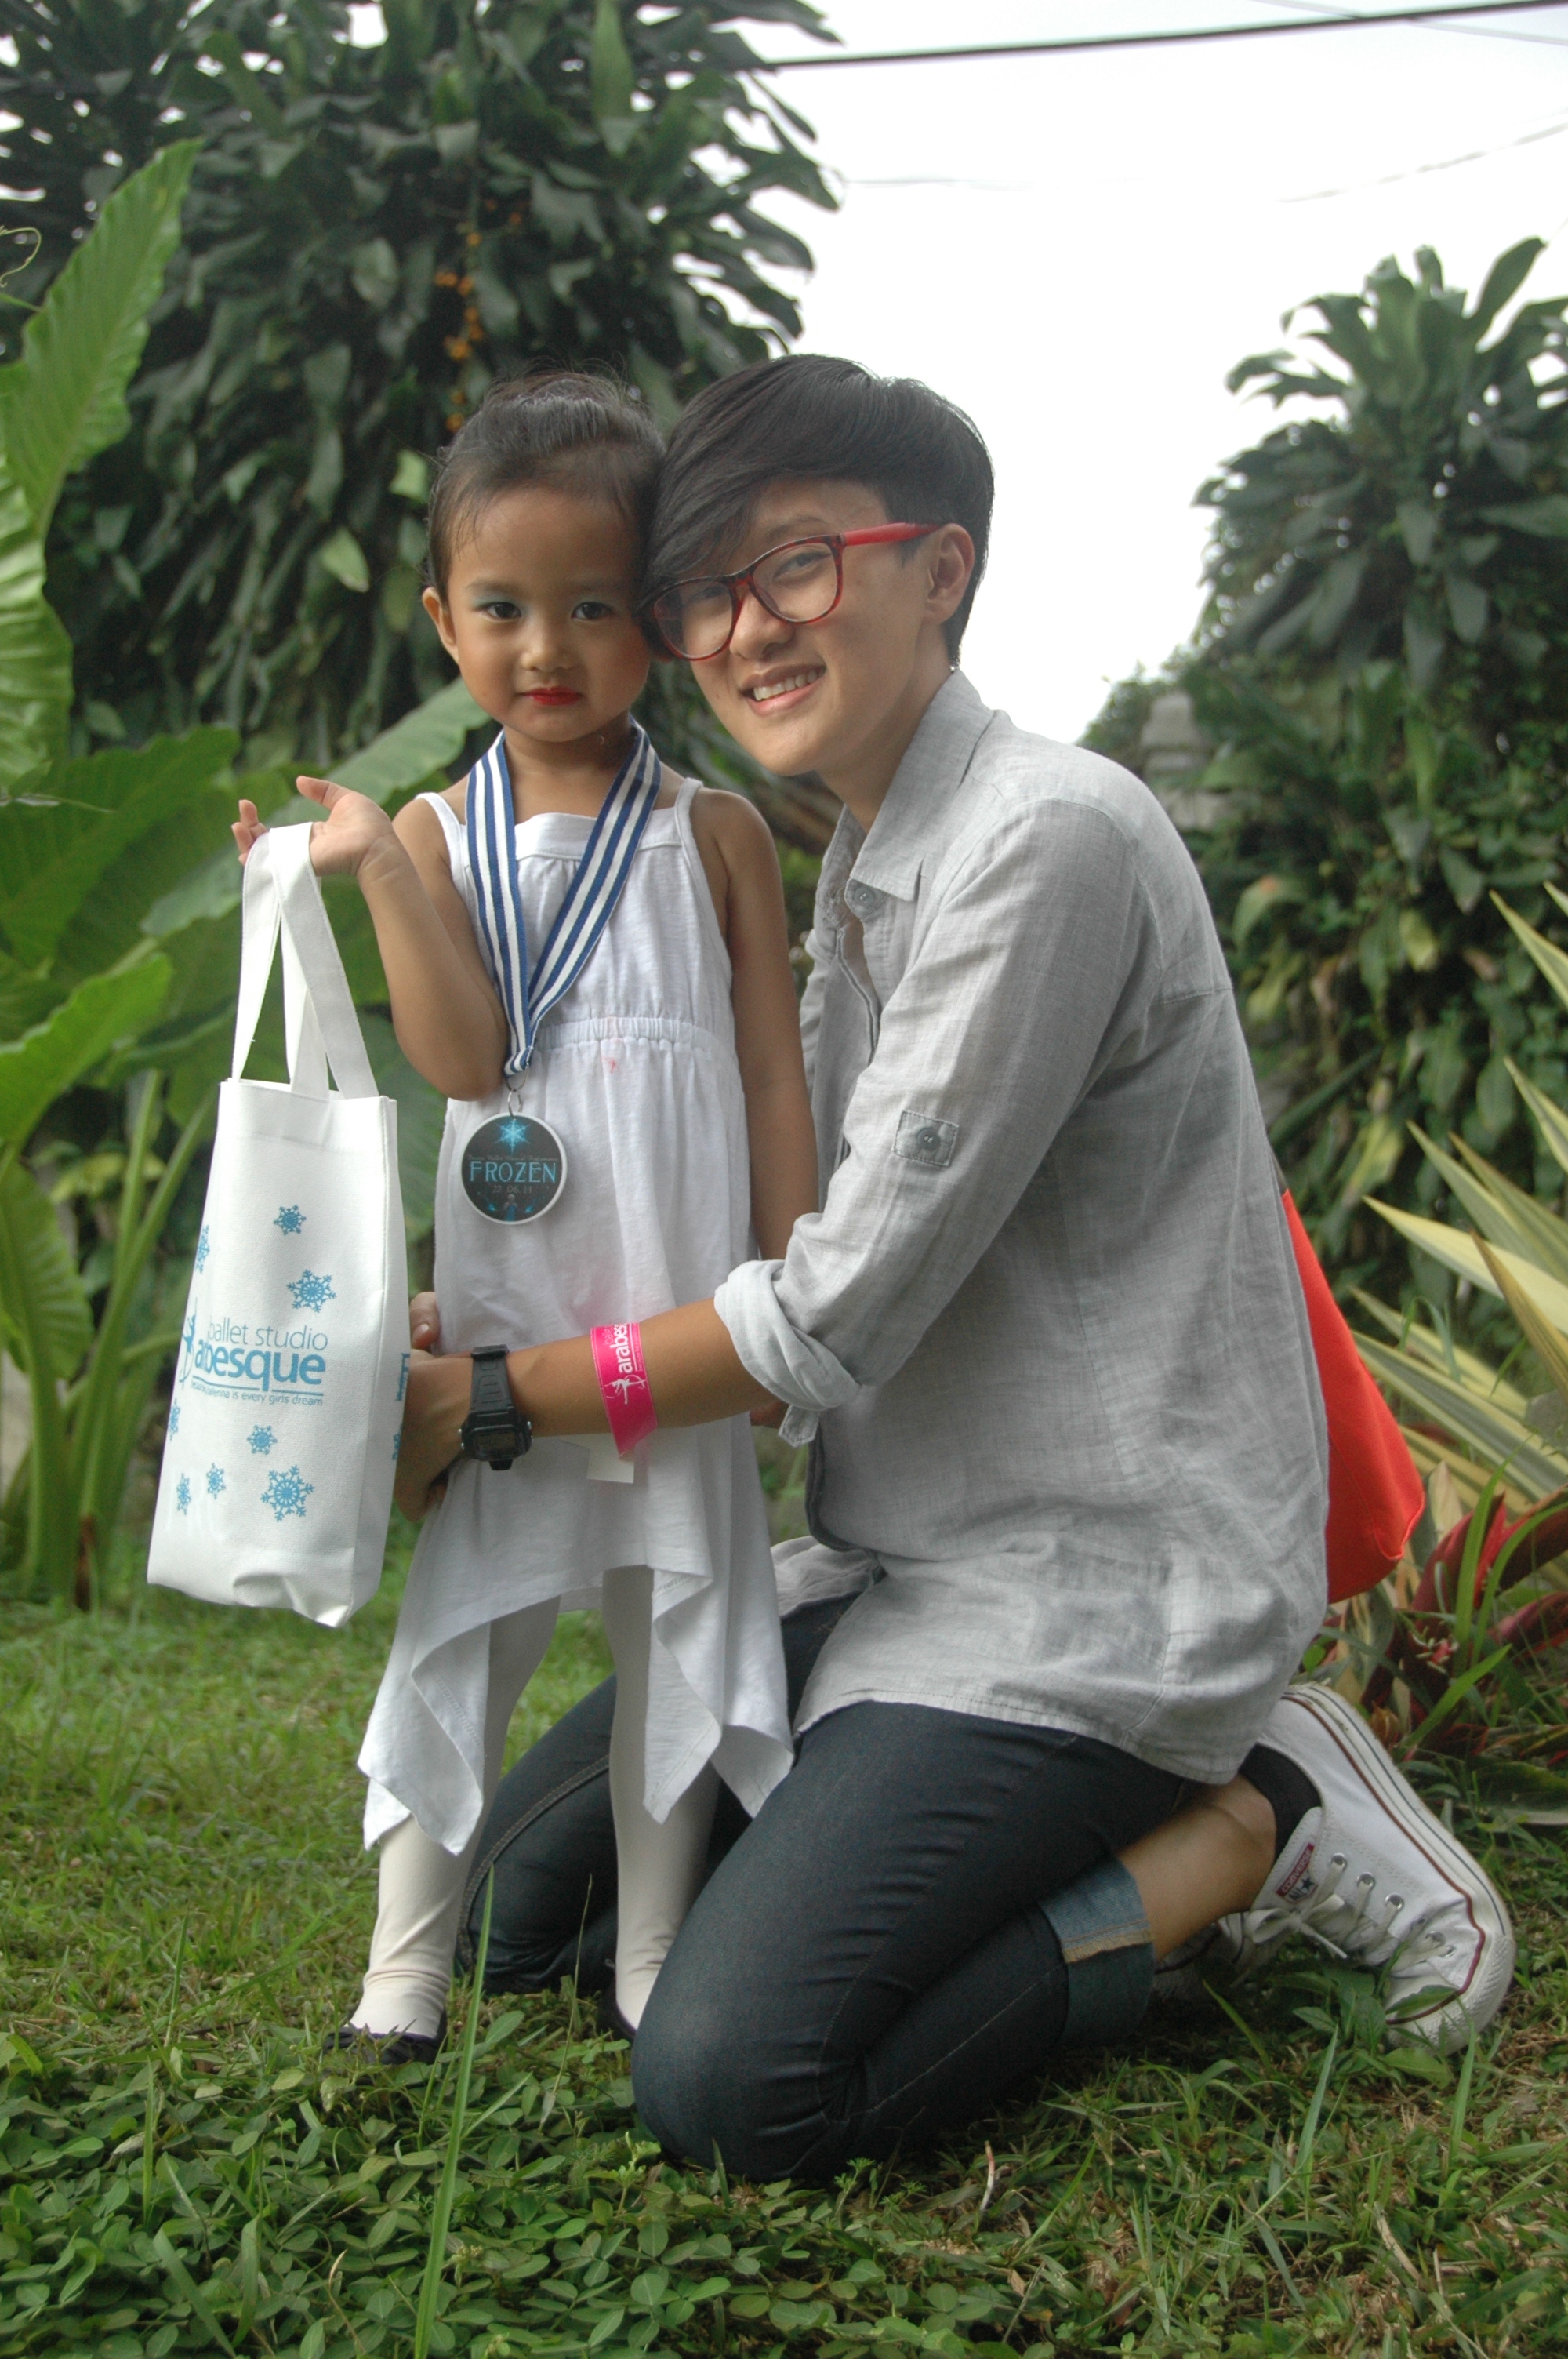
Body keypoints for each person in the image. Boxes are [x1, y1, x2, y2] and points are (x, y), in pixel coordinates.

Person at [394, 357, 1515, 2179]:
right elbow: (746, 1241)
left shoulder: (1043, 842)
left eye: (799, 565)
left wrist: (499, 1403)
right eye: (705, 589)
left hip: (1092, 1590)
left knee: (732, 2076)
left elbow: (824, 1313)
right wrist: (494, 1317)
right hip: (891, 1563)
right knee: (520, 1917)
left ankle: (1251, 1825)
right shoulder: (850, 875)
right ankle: (957, 1825)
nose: (745, 628)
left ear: (942, 570)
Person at [233, 372, 818, 2049]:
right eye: (500, 608)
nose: (545, 648)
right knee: (469, 1635)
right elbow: (465, 1057)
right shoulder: (434, 830)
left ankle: (654, 1962)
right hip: (508, 1327)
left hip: (682, 1319)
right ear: (442, 618)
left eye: (593, 606)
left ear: (662, 617)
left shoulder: (714, 834)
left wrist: (784, 1287)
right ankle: (401, 1973)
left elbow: (771, 1071)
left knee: (674, 1628)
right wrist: (383, 870)